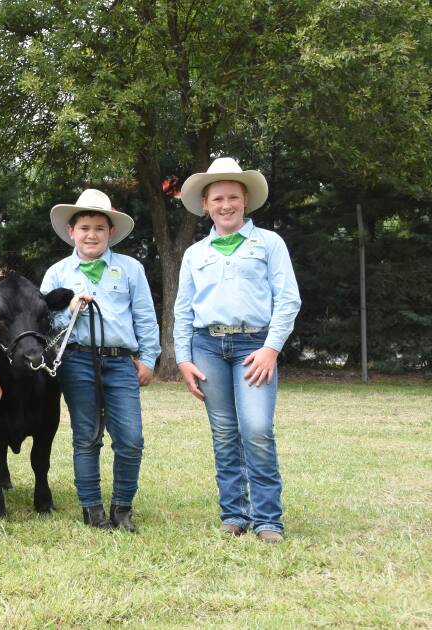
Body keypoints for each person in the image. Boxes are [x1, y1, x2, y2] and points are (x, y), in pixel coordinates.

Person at [174, 157, 300, 543]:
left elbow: (288, 300)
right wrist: (183, 358)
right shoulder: (196, 253)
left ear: (245, 199)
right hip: (207, 346)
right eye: (217, 199)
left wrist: (271, 349)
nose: (225, 205)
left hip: (254, 345)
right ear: (206, 205)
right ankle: (234, 514)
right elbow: (182, 309)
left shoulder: (269, 244)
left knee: (257, 429)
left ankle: (267, 519)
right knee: (225, 432)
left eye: (232, 197)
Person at [40, 189, 160, 532]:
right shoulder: (57, 274)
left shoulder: (130, 269)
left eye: (99, 228)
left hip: (120, 360)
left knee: (131, 438)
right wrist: (70, 311)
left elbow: (145, 316)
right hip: (76, 360)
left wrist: (148, 358)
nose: (91, 235)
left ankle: (122, 507)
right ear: (71, 232)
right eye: (84, 228)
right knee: (87, 436)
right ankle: (91, 509)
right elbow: (44, 323)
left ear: (110, 233)